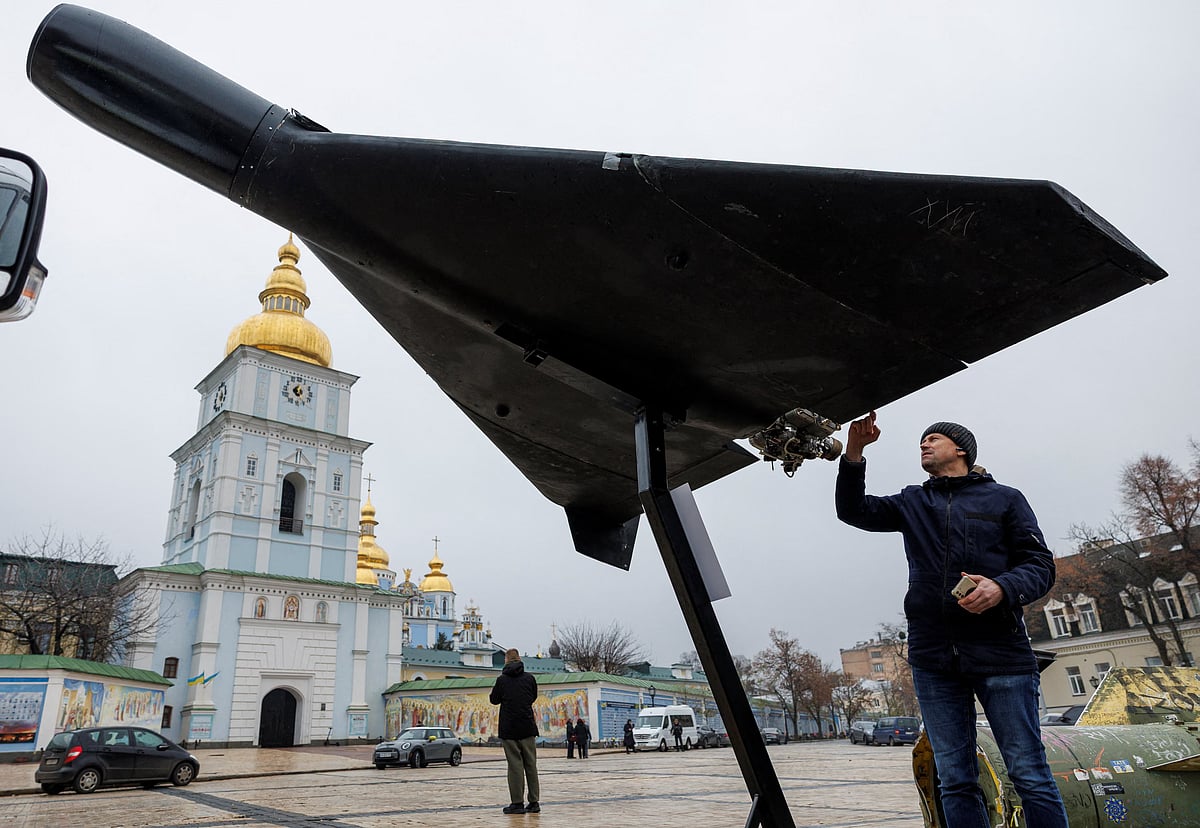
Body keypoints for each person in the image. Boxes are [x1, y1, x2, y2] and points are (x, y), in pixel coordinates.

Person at [834, 412, 1067, 828]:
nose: (924, 445)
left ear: (961, 449)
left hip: (1002, 656)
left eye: (933, 439)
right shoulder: (913, 501)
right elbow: (854, 510)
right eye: (921, 442)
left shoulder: (1005, 499)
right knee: (955, 779)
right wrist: (854, 453)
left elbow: (1040, 566)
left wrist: (1001, 588)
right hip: (934, 659)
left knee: (1029, 774)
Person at [489, 648, 540, 815]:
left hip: (509, 728)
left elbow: (494, 700)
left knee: (515, 765)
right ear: (519, 659)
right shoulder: (530, 678)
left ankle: (517, 803)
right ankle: (534, 802)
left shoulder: (502, 680)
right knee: (531, 764)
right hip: (527, 726)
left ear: (506, 660)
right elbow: (533, 697)